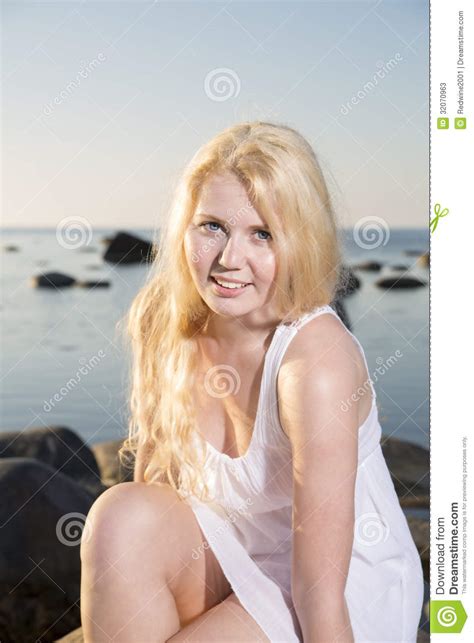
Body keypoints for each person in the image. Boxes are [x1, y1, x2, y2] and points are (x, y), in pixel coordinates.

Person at [80, 121, 424, 642]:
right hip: (230, 551)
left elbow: (319, 592)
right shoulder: (163, 319)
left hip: (333, 585)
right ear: (183, 227)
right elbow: (157, 494)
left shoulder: (314, 362)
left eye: (261, 234)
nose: (228, 260)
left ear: (299, 241)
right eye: (212, 226)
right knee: (120, 515)